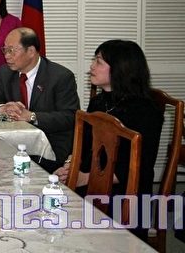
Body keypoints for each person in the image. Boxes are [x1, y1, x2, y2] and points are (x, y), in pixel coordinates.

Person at [54, 40, 163, 239]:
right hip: (93, 180)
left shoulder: (146, 111)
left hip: (126, 194)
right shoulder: (99, 102)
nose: (91, 66)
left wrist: (86, 178)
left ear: (121, 69)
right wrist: (71, 165)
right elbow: (84, 146)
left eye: (99, 61)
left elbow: (137, 166)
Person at [0, 27, 80, 172]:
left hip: (50, 146)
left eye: (12, 50)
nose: (7, 56)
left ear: (31, 51)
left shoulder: (60, 77)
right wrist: (2, 108)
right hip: (15, 142)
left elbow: (70, 116)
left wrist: (32, 116)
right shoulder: (6, 72)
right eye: (5, 50)